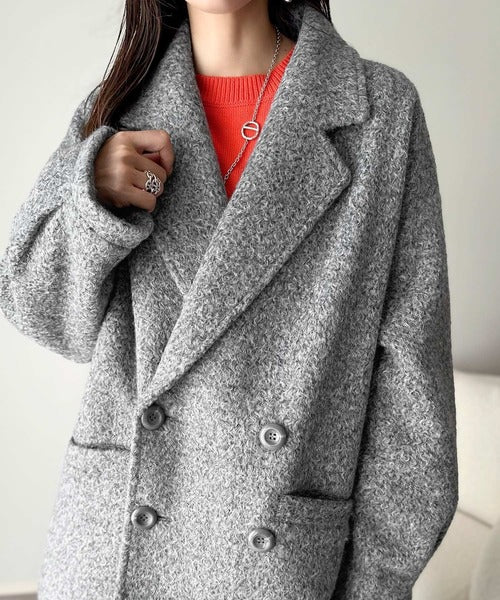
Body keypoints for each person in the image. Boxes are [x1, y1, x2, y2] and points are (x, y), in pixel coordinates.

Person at [0, 0, 459, 599]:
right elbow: (39, 312)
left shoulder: (378, 113)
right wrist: (94, 207)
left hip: (279, 569)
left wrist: (374, 586)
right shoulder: (119, 108)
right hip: (112, 561)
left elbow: (414, 404)